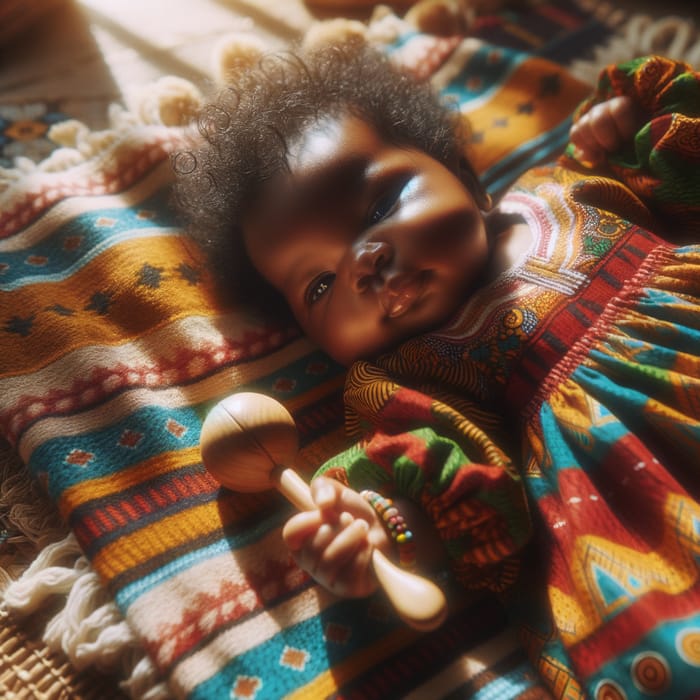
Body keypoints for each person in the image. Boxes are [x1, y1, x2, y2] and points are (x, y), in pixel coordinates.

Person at [174, 45, 700, 699]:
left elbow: (676, 177)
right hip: (638, 513)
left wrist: (625, 122)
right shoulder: (412, 378)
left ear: (467, 178)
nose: (361, 265)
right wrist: (380, 526)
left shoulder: (566, 188)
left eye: (376, 209)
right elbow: (437, 479)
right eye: (317, 285)